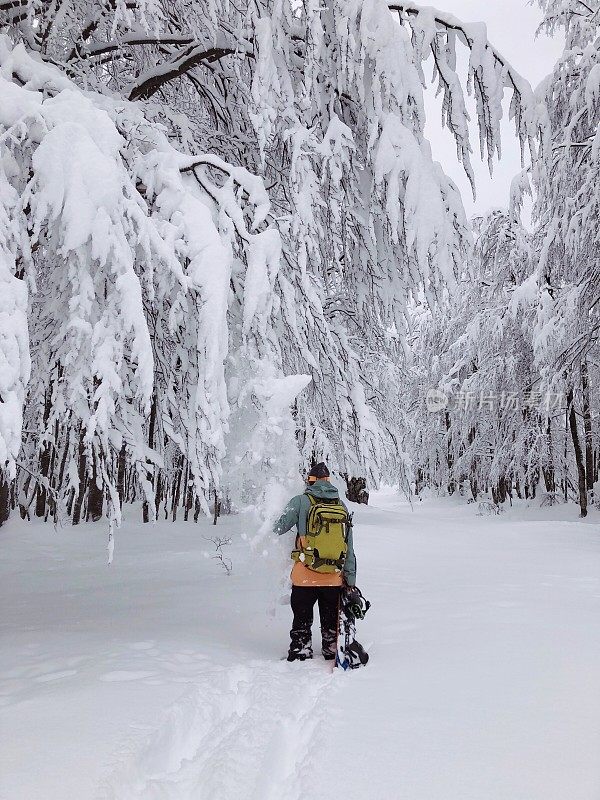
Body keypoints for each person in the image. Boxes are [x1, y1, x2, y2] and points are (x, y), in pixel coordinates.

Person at [273, 462, 356, 662]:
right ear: (328, 481)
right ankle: (330, 647)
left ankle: (301, 649)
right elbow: (349, 545)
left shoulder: (300, 501)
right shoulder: (340, 505)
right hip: (333, 577)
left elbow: (278, 528)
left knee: (301, 617)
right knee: (330, 618)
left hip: (305, 575)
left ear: (309, 480)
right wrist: (350, 579)